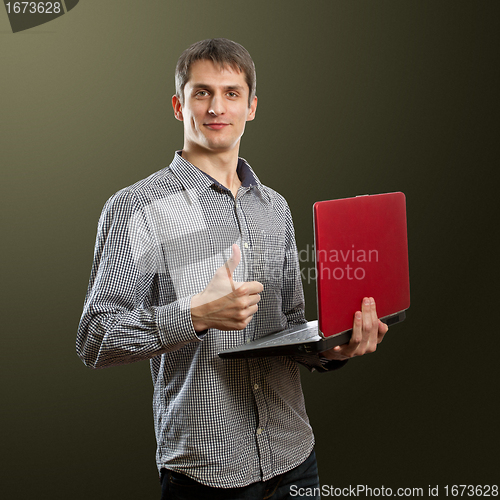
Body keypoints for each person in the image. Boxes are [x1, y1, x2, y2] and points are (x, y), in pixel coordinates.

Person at [77, 38, 388, 499]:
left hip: (294, 457)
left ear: (252, 106)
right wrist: (195, 315)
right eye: (201, 92)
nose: (216, 107)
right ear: (179, 106)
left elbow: (286, 331)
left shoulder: (274, 208)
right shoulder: (137, 208)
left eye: (231, 93)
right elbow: (95, 338)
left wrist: (333, 351)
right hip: (207, 472)